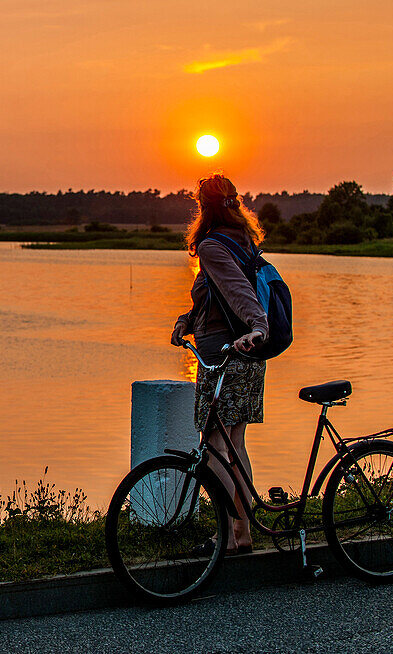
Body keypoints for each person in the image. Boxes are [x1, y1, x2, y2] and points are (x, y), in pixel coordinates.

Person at [170, 174, 268, 554]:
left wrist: (258, 326)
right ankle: (242, 534)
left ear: (202, 206)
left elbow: (240, 294)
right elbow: (216, 302)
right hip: (247, 350)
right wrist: (187, 321)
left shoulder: (212, 246)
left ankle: (227, 536)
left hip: (227, 356)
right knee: (234, 443)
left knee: (212, 446)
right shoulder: (244, 241)